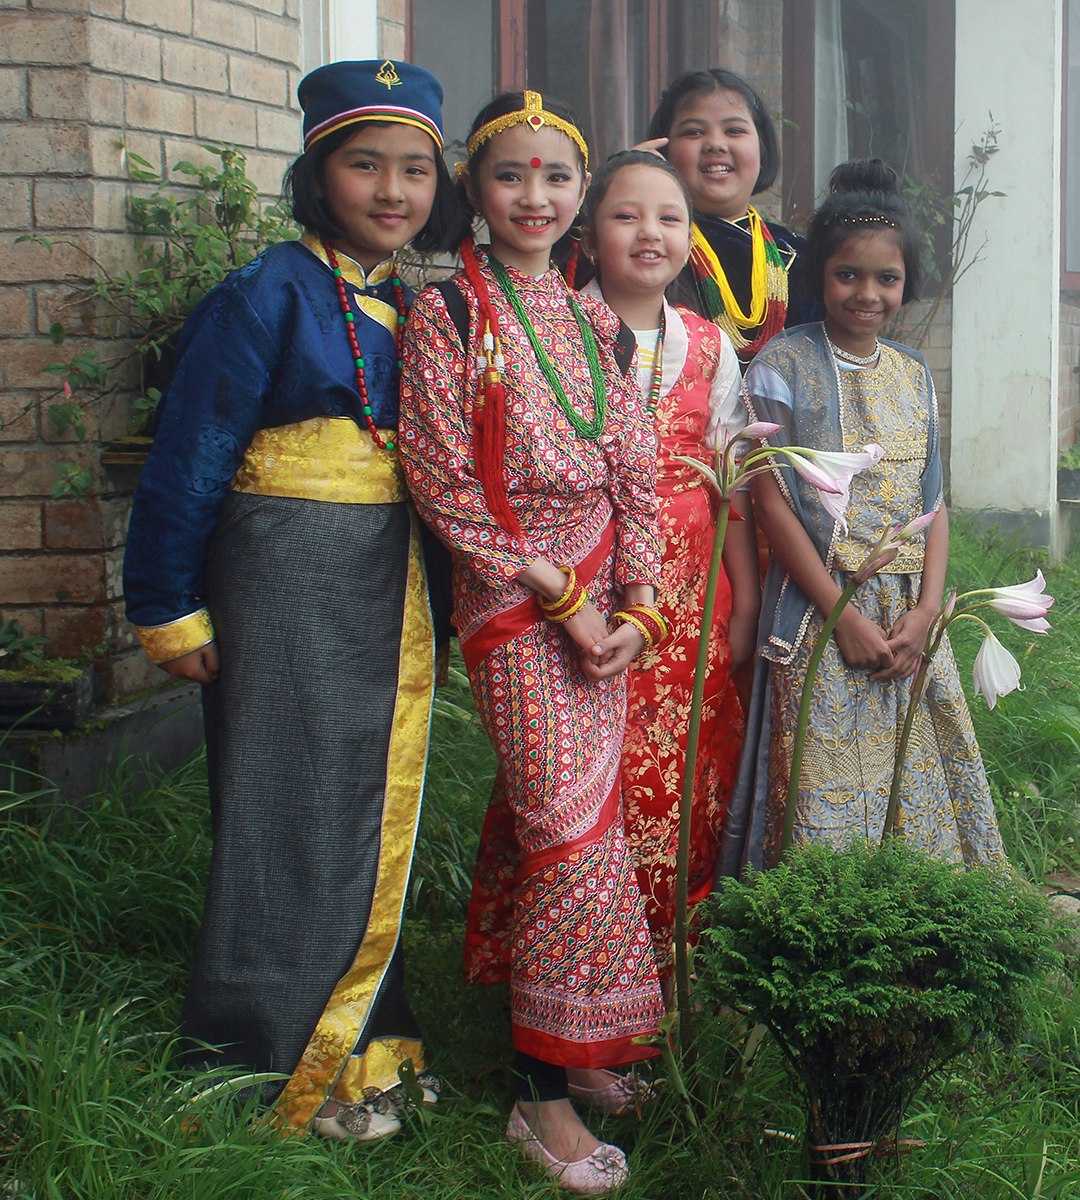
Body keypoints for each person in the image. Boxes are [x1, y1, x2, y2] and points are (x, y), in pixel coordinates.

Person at [123, 59, 460, 1142]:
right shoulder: (267, 289)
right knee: (283, 801)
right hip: (279, 572)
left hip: (385, 574)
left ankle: (363, 1045)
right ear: (318, 173)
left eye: (415, 169)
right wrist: (168, 604)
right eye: (366, 164)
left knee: (368, 797)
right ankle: (263, 1060)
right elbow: (194, 449)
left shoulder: (419, 307)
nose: (393, 190)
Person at [398, 92, 665, 1195]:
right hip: (518, 603)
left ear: (581, 193)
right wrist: (564, 594)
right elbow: (443, 481)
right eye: (511, 175)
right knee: (568, 829)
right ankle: (539, 1093)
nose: (535, 198)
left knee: (584, 820)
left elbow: (640, 473)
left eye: (557, 178)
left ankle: (584, 1039)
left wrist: (641, 607)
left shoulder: (597, 318)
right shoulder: (447, 316)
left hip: (608, 605)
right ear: (474, 185)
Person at [719, 159, 1006, 873]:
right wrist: (842, 615)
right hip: (820, 611)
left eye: (887, 278)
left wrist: (930, 612)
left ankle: (917, 933)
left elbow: (933, 503)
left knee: (918, 775)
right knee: (822, 782)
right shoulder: (780, 367)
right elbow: (772, 505)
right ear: (820, 274)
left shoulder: (914, 373)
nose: (867, 293)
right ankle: (820, 952)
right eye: (849, 274)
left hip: (910, 615)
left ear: (908, 284)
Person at [573, 150, 758, 975]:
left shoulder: (713, 347)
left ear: (692, 240)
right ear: (587, 229)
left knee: (691, 757)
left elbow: (735, 490)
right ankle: (584, 956)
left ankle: (676, 951)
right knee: (590, 761)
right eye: (626, 215)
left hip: (694, 587)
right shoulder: (557, 328)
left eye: (671, 218)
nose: (651, 233)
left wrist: (744, 601)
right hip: (585, 580)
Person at [642, 68, 821, 367]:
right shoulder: (644, 250)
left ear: (761, 147)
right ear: (663, 150)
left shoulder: (802, 259)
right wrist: (626, 184)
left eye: (734, 130)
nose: (715, 144)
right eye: (694, 132)